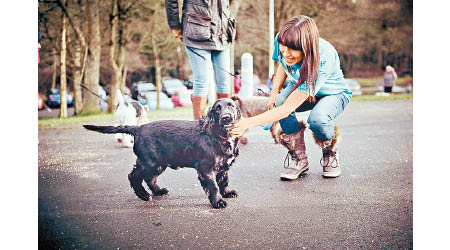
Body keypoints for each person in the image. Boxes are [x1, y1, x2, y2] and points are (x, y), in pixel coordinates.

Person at [231, 15, 352, 180]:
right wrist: (275, 91)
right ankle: (299, 157)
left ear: (306, 48)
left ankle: (329, 151)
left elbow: (286, 109)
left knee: (318, 120)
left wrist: (247, 122)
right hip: (300, 85)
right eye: (283, 47)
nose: (286, 53)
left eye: (293, 50)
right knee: (280, 101)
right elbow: (283, 62)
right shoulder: (284, 39)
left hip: (333, 93)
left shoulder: (323, 57)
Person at [165, 0, 236, 120]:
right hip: (195, 32)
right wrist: (175, 25)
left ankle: (225, 127)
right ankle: (200, 128)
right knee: (202, 81)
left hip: (222, 32)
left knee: (224, 82)